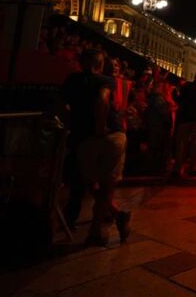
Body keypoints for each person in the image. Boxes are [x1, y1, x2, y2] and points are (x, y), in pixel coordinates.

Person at [61, 49, 130, 245]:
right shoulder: (105, 81)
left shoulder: (72, 80)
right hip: (110, 134)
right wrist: (100, 127)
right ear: (100, 65)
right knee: (107, 184)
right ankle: (99, 227)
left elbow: (63, 105)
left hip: (85, 137)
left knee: (86, 180)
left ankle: (106, 221)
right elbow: (103, 99)